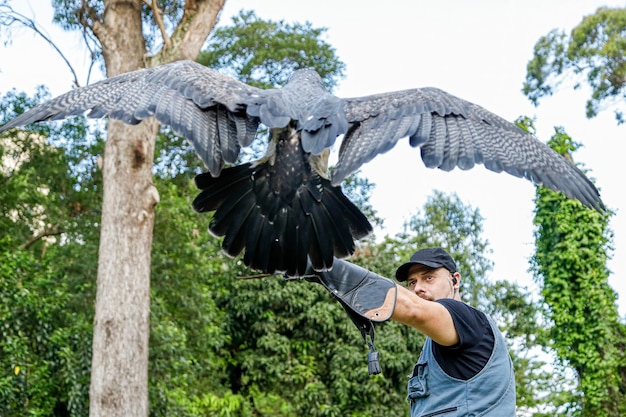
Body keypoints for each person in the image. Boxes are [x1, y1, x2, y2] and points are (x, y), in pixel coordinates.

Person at [297, 247, 516, 416]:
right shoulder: (441, 340)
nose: (418, 288)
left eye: (428, 277)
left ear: (455, 280)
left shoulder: (465, 317)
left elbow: (413, 310)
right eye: (412, 282)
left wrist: (324, 267)